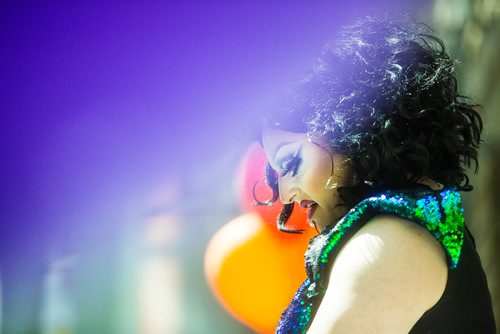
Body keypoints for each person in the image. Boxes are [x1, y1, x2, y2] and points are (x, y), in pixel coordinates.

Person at [256, 15, 496, 333]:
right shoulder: (402, 233)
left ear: (349, 128)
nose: (285, 194)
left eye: (290, 163)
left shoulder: (390, 243)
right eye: (276, 176)